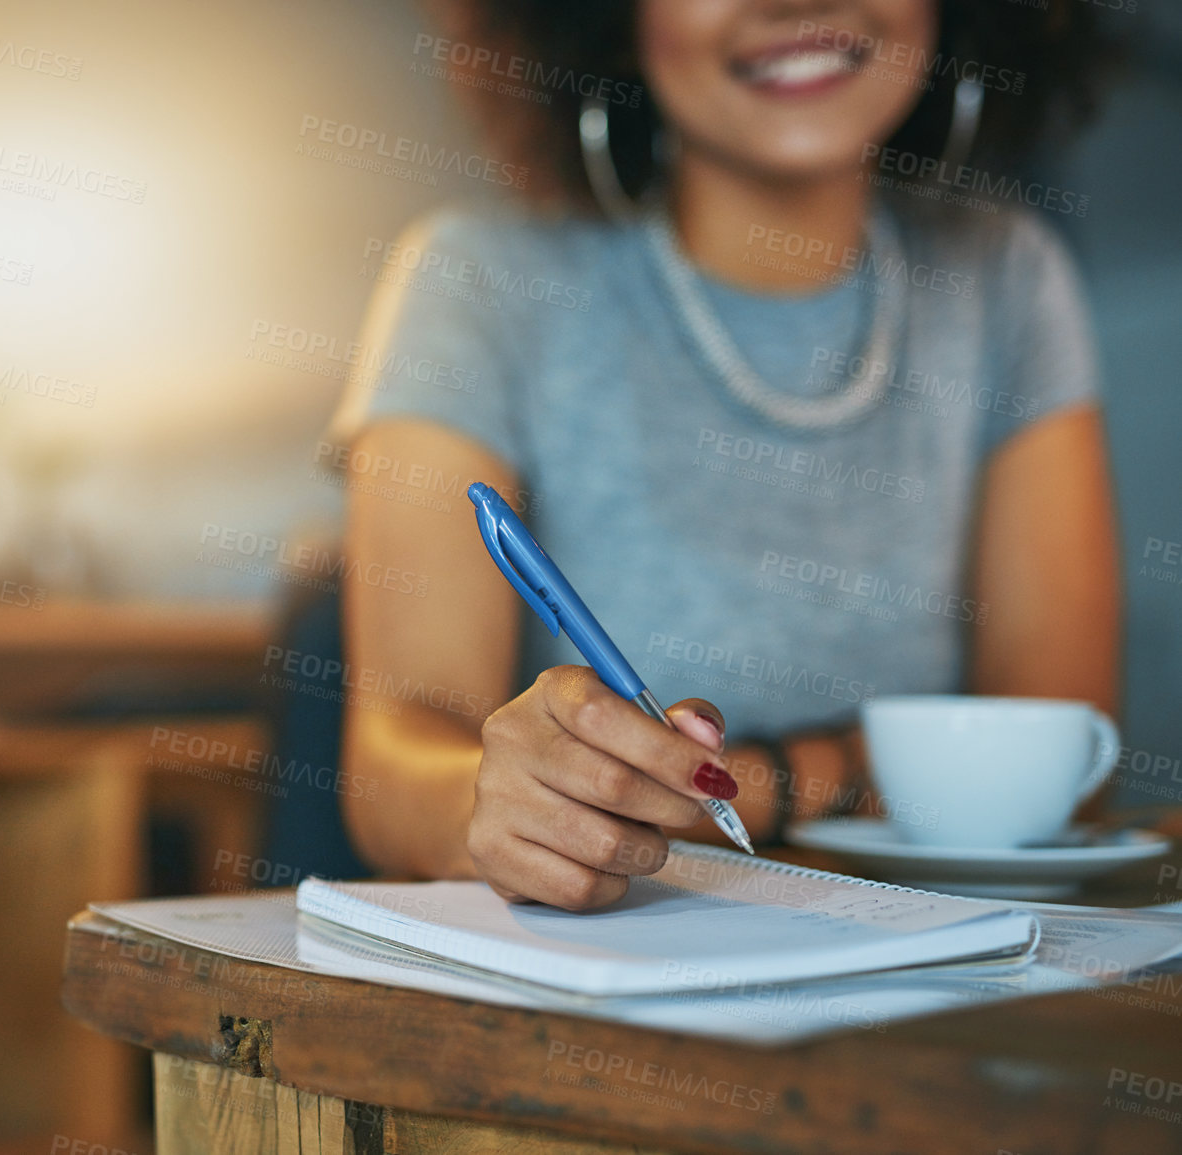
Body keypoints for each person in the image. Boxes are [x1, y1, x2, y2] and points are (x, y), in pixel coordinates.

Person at [326, 0, 1121, 909]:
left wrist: (767, 778)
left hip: (937, 981)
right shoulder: (475, 277)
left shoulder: (1007, 276)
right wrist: (501, 800)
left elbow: (1065, 757)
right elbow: (389, 772)